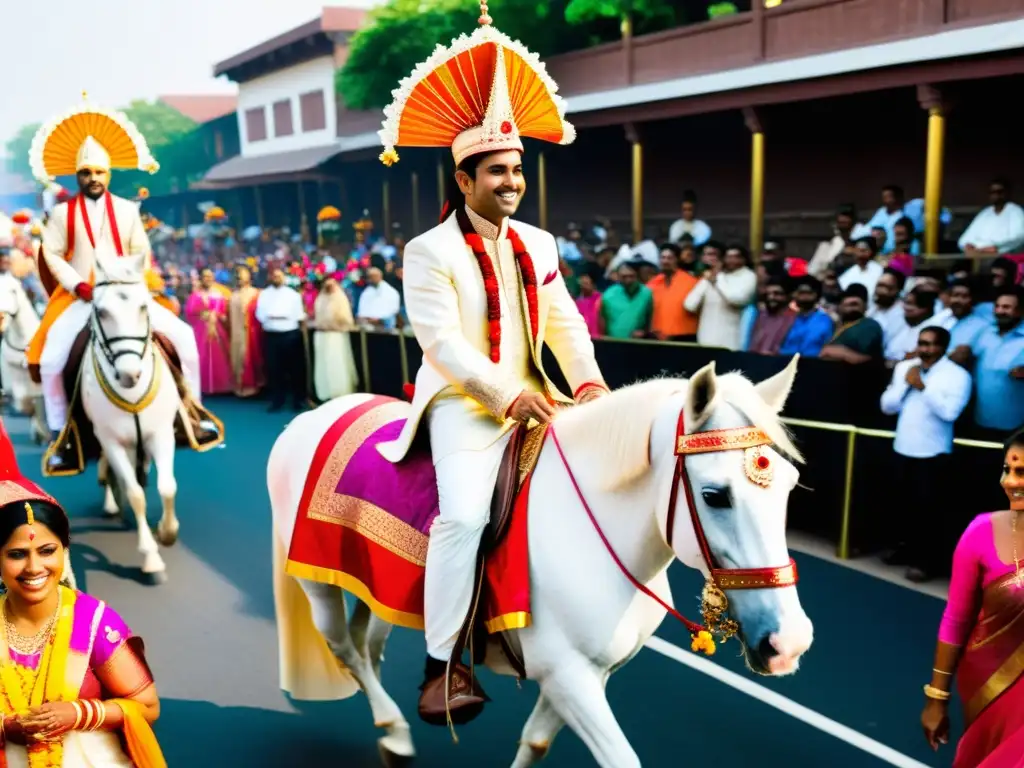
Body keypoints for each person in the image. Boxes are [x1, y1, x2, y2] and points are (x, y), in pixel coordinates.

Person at [374, 4, 609, 725]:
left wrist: (590, 380)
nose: (512, 181)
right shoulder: (428, 250)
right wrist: (506, 397)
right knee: (467, 517)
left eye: (518, 169)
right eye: (498, 171)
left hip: (541, 394)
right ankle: (444, 664)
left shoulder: (539, 243)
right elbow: (443, 345)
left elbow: (564, 320)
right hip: (464, 406)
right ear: (465, 178)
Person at [24, 96, 216, 472]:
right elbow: (52, 256)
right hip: (80, 297)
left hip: (128, 294)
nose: (93, 178)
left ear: (108, 174)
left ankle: (194, 411)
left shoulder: (128, 211)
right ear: (76, 177)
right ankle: (61, 434)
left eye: (99, 172)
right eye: (86, 173)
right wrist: (80, 286)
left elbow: (140, 252)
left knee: (185, 339)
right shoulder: (61, 214)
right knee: (49, 360)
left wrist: (136, 283)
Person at [0, 418, 166, 767]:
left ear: (65, 551)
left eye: (47, 551)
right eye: (17, 554)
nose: (34, 569)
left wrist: (78, 714)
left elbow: (147, 705)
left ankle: (191, 417)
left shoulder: (91, 622)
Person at [921, 428, 1024, 765]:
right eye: (1007, 470)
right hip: (989, 686)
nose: (1009, 482)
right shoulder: (981, 532)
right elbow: (956, 619)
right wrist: (937, 696)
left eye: (1021, 472)